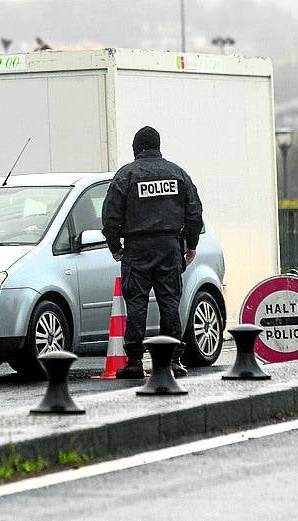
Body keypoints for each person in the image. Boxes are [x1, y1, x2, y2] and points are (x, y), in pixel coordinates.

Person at [101, 126, 203, 379]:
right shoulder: (178, 174)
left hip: (136, 249)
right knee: (170, 303)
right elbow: (194, 213)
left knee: (136, 304)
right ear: (159, 146)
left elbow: (110, 215)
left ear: (136, 148)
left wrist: (115, 247)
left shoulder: (126, 175)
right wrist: (191, 246)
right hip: (169, 247)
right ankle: (173, 361)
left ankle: (134, 361)